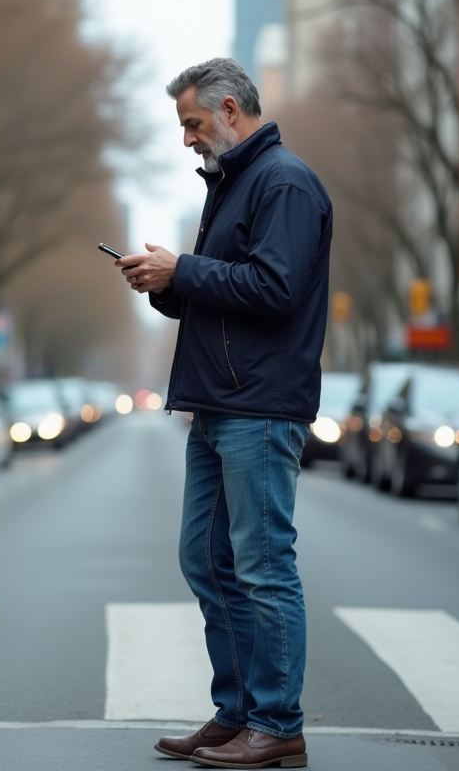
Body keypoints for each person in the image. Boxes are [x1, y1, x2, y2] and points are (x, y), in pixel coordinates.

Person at [116, 58, 332, 770]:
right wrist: (163, 284)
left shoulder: (284, 183)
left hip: (261, 405)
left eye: (193, 124)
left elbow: (275, 289)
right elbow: (223, 293)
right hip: (219, 403)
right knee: (206, 559)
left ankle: (278, 725)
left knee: (264, 565)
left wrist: (186, 270)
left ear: (232, 109)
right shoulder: (235, 183)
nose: (187, 139)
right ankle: (238, 712)